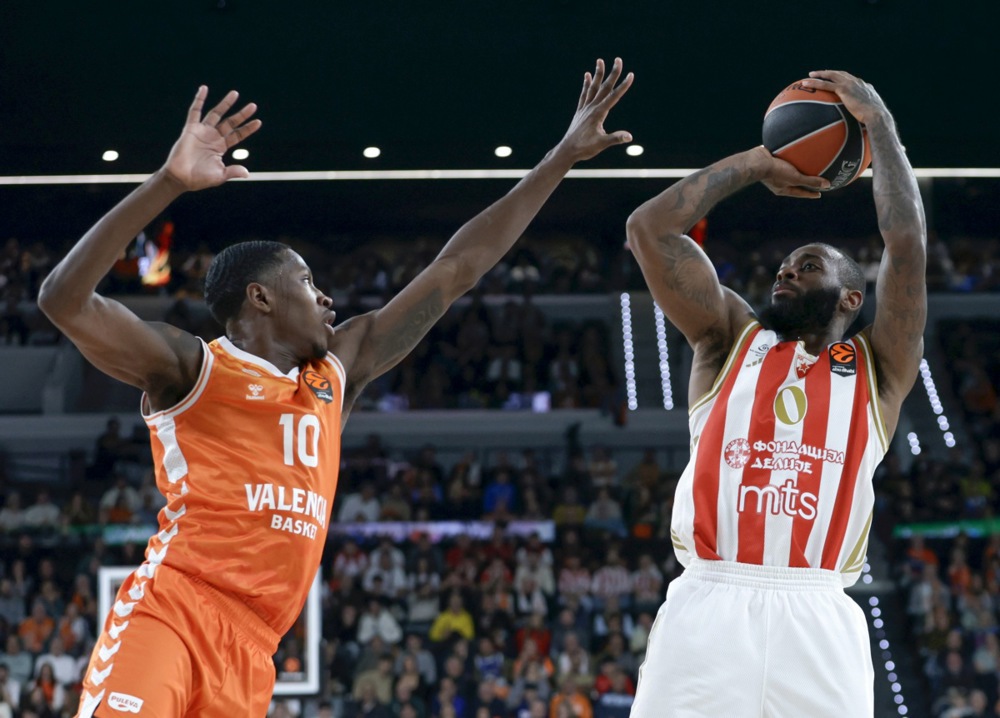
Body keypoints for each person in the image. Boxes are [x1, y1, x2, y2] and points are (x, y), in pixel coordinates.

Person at [38, 59, 633, 718]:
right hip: (173, 612)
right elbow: (63, 299)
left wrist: (559, 158)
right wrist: (168, 183)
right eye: (306, 281)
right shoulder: (191, 367)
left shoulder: (335, 374)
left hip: (254, 649)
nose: (326, 298)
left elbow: (456, 269)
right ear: (260, 297)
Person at [625, 70, 926, 717]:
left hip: (817, 610)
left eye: (808, 265)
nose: (787, 271)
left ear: (852, 297)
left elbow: (906, 244)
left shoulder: (879, 368)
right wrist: (757, 163)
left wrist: (879, 124)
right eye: (785, 266)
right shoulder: (728, 338)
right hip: (709, 602)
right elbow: (647, 230)